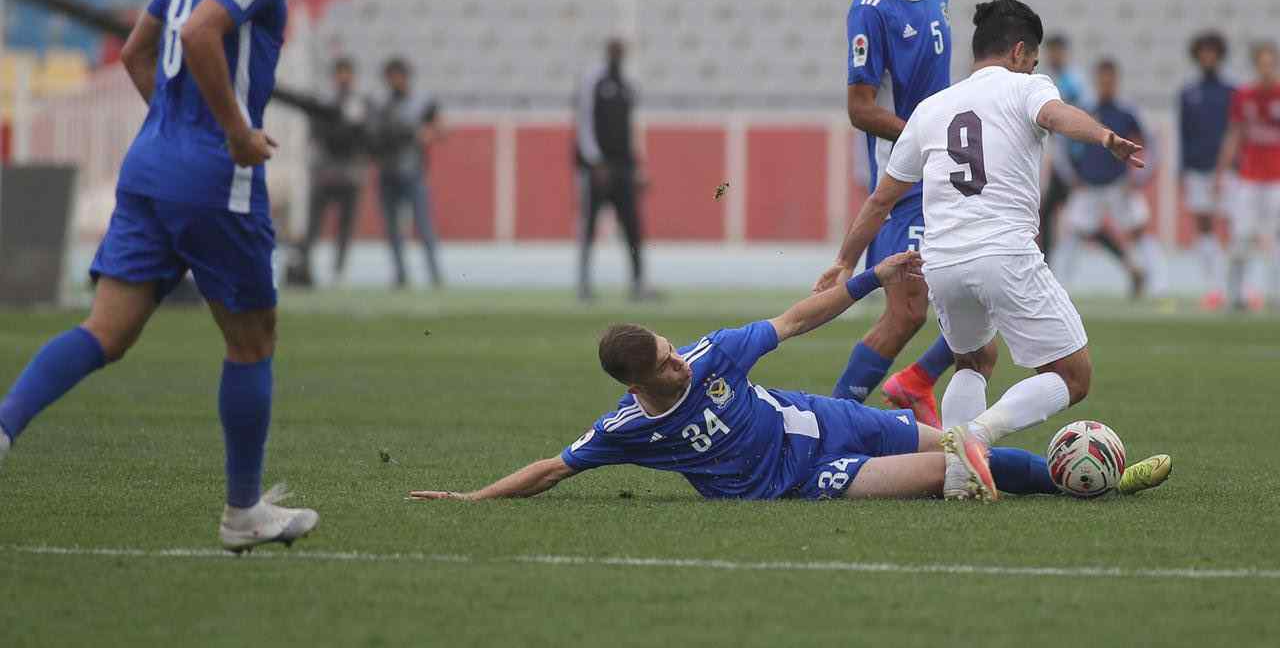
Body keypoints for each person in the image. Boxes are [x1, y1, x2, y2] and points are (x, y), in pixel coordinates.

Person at [0, 0, 318, 552]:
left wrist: (176, 133)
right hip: (215, 179)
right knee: (252, 340)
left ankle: (5, 425)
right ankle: (243, 513)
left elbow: (137, 52)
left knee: (105, 331)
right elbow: (203, 34)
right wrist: (233, 133)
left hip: (148, 167)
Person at [408, 250, 1170, 503]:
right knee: (951, 474)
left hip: (821, 420)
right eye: (666, 363)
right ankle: (1081, 483)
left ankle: (1091, 479)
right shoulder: (628, 428)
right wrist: (473, 498)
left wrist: (871, 276)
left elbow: (799, 318)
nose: (681, 360)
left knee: (961, 444)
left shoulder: (713, 354)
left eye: (674, 349)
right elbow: (553, 468)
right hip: (803, 479)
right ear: (636, 385)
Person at [814, 0, 1166, 498]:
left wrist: (843, 261)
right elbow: (1056, 115)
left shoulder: (931, 108)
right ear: (1020, 52)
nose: (1034, 69)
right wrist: (1105, 136)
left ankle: (959, 479)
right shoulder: (1025, 87)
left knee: (973, 361)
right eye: (1034, 60)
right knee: (1073, 376)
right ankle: (976, 436)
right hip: (1003, 252)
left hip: (942, 262)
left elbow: (881, 199)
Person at [836, 0, 955, 427]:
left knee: (981, 306)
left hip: (950, 175)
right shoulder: (871, 9)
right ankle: (835, 419)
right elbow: (860, 108)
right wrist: (924, 136)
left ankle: (922, 386)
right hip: (905, 183)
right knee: (908, 311)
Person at [1057, 60, 1156, 295]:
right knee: (1074, 233)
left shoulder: (1127, 110)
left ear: (1116, 81)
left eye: (1110, 80)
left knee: (1139, 230)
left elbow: (1151, 142)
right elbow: (1062, 145)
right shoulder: (1084, 109)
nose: (1106, 84)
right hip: (1088, 186)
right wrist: (1071, 176)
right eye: (1102, 79)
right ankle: (1060, 287)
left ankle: (1157, 285)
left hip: (1119, 186)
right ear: (1096, 81)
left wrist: (1140, 176)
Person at [575, 38, 651, 301]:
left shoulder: (627, 85)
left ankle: (638, 284)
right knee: (589, 226)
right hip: (599, 168)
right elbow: (584, 123)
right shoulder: (593, 82)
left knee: (632, 227)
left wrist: (638, 166)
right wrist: (594, 161)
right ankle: (584, 284)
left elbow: (630, 129)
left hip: (624, 167)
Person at [1216, 41, 1280, 311]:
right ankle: (1235, 295)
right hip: (1249, 178)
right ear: (1256, 66)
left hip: (1276, 180)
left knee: (1276, 237)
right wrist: (1221, 171)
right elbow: (1234, 134)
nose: (1266, 69)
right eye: (1262, 64)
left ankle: (1275, 295)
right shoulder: (1244, 95)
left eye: (1270, 64)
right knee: (1241, 236)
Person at [297, 57, 369, 285]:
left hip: (349, 173)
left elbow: (365, 137)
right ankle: (304, 265)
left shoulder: (360, 103)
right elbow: (315, 133)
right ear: (334, 76)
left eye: (347, 73)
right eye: (340, 73)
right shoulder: (324, 102)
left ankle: (339, 270)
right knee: (314, 224)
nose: (343, 78)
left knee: (346, 225)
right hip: (325, 171)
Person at [373, 58, 444, 289]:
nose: (394, 81)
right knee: (392, 228)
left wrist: (427, 133)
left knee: (423, 225)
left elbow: (441, 128)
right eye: (391, 77)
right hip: (388, 171)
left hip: (413, 171)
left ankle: (434, 274)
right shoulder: (383, 105)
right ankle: (400, 275)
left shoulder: (421, 103)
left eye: (397, 76)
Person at [1178, 32, 1233, 309]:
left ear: (1219, 55)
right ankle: (1214, 286)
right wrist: (1182, 170)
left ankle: (1237, 285)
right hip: (1197, 169)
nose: (1207, 56)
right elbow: (1184, 135)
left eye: (1212, 51)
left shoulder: (1231, 92)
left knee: (1234, 225)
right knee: (1204, 227)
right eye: (1203, 51)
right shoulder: (1188, 94)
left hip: (1227, 170)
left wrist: (1231, 166)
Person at [1038, 34, 1089, 265]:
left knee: (1085, 220)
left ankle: (1127, 262)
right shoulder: (1047, 80)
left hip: (1078, 159)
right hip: (1062, 160)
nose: (1054, 56)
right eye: (1051, 51)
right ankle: (1047, 263)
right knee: (1049, 212)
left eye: (1058, 51)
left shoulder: (1075, 81)